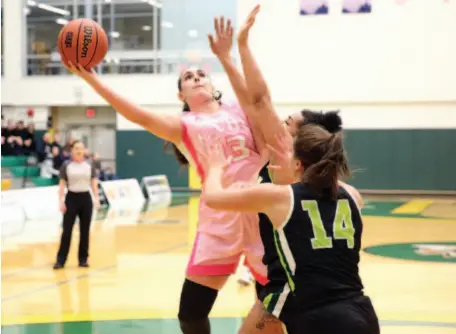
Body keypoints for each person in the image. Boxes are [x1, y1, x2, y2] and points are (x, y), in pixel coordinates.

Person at [64, 16, 274, 334]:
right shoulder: (183, 126)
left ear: (214, 86)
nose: (196, 77)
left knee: (273, 306)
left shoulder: (237, 108)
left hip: (261, 211)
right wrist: (92, 80)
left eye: (201, 74)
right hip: (220, 218)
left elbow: (257, 100)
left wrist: (226, 55)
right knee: (190, 314)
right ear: (182, 95)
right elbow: (135, 112)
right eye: (189, 77)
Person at [202, 124, 380, 334]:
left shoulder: (279, 196)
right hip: (361, 311)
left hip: (320, 318)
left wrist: (214, 168)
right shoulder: (352, 194)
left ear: (297, 163)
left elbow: (213, 198)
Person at [53, 140, 100, 269]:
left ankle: (83, 259)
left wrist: (96, 198)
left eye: (81, 148)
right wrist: (61, 200)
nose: (79, 150)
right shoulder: (66, 165)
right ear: (72, 150)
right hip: (71, 198)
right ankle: (60, 260)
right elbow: (62, 184)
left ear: (85, 150)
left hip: (85, 199)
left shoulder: (90, 165)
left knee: (85, 231)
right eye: (76, 148)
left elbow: (94, 182)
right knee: (67, 231)